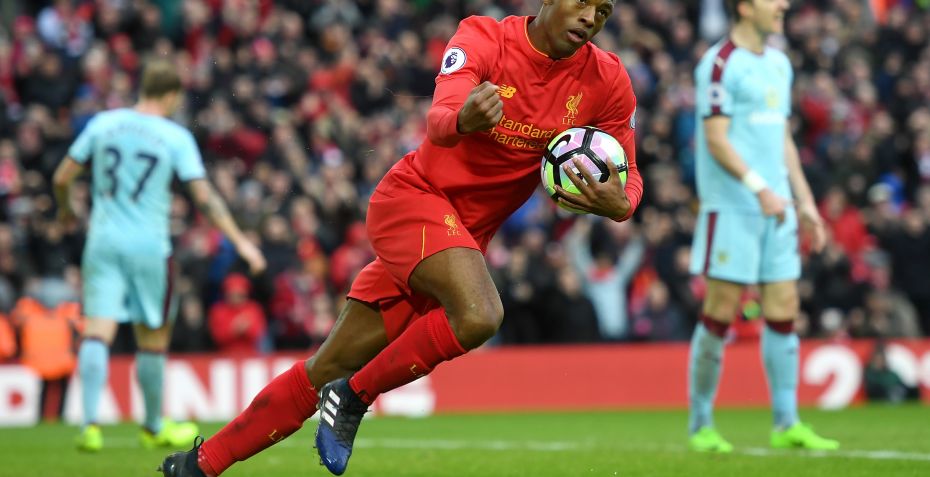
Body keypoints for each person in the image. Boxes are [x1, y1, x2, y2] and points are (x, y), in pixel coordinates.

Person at [158, 1, 642, 475]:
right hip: (414, 201)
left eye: (603, 12)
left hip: (458, 242)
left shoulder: (607, 79)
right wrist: (462, 119)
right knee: (480, 314)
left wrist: (622, 204)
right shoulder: (484, 38)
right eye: (583, 3)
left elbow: (630, 172)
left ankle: (200, 465)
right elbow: (440, 119)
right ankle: (355, 397)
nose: (590, 18)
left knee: (324, 367)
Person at [53, 60, 266, 452]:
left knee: (97, 331)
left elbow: (62, 177)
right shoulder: (174, 136)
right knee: (152, 336)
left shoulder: (103, 124)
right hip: (149, 246)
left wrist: (66, 211)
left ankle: (89, 426)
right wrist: (240, 241)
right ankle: (152, 426)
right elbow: (204, 197)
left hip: (102, 241)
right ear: (171, 95)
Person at [686, 0, 838, 453]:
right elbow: (716, 139)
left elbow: (782, 137)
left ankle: (787, 422)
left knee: (784, 305)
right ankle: (700, 425)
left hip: (778, 205)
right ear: (745, 6)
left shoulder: (778, 63)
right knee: (721, 309)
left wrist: (804, 201)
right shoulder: (718, 64)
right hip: (733, 206)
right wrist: (759, 189)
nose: (783, 5)